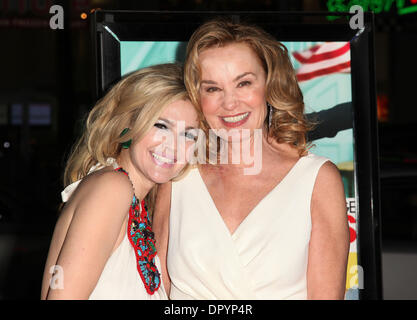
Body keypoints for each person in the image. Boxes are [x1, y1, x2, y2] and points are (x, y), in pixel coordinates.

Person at [153, 19, 350, 300]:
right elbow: (158, 291)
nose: (230, 103)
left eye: (243, 83)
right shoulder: (179, 176)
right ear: (197, 96)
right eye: (212, 88)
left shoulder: (316, 180)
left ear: (269, 84)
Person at [40, 63, 199, 300]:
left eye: (188, 134)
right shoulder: (112, 188)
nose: (173, 145)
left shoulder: (137, 205)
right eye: (161, 125)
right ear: (129, 125)